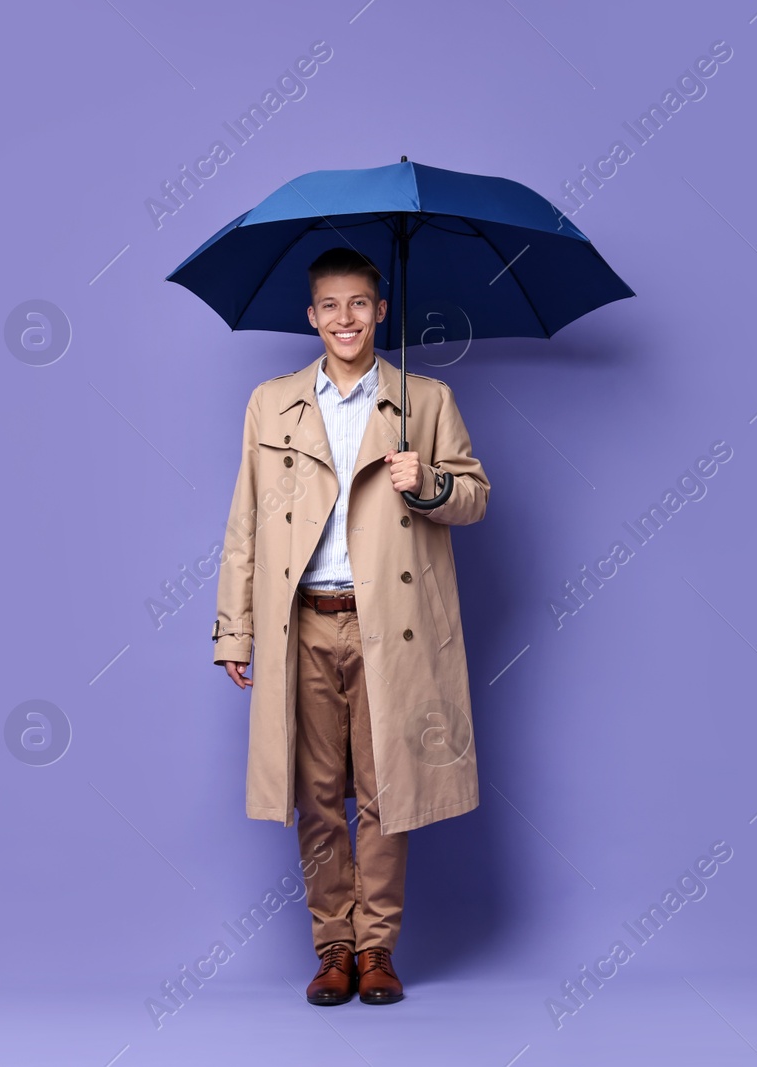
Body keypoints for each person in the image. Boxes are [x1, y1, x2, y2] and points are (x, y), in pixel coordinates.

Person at [212, 246, 489, 1006]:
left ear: (381, 311)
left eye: (360, 304)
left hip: (389, 625)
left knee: (386, 788)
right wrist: (235, 630)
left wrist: (428, 483)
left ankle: (377, 949)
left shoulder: (424, 400)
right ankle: (332, 943)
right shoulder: (270, 403)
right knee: (317, 790)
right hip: (304, 621)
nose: (345, 318)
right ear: (311, 315)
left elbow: (476, 496)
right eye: (330, 305)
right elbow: (245, 523)